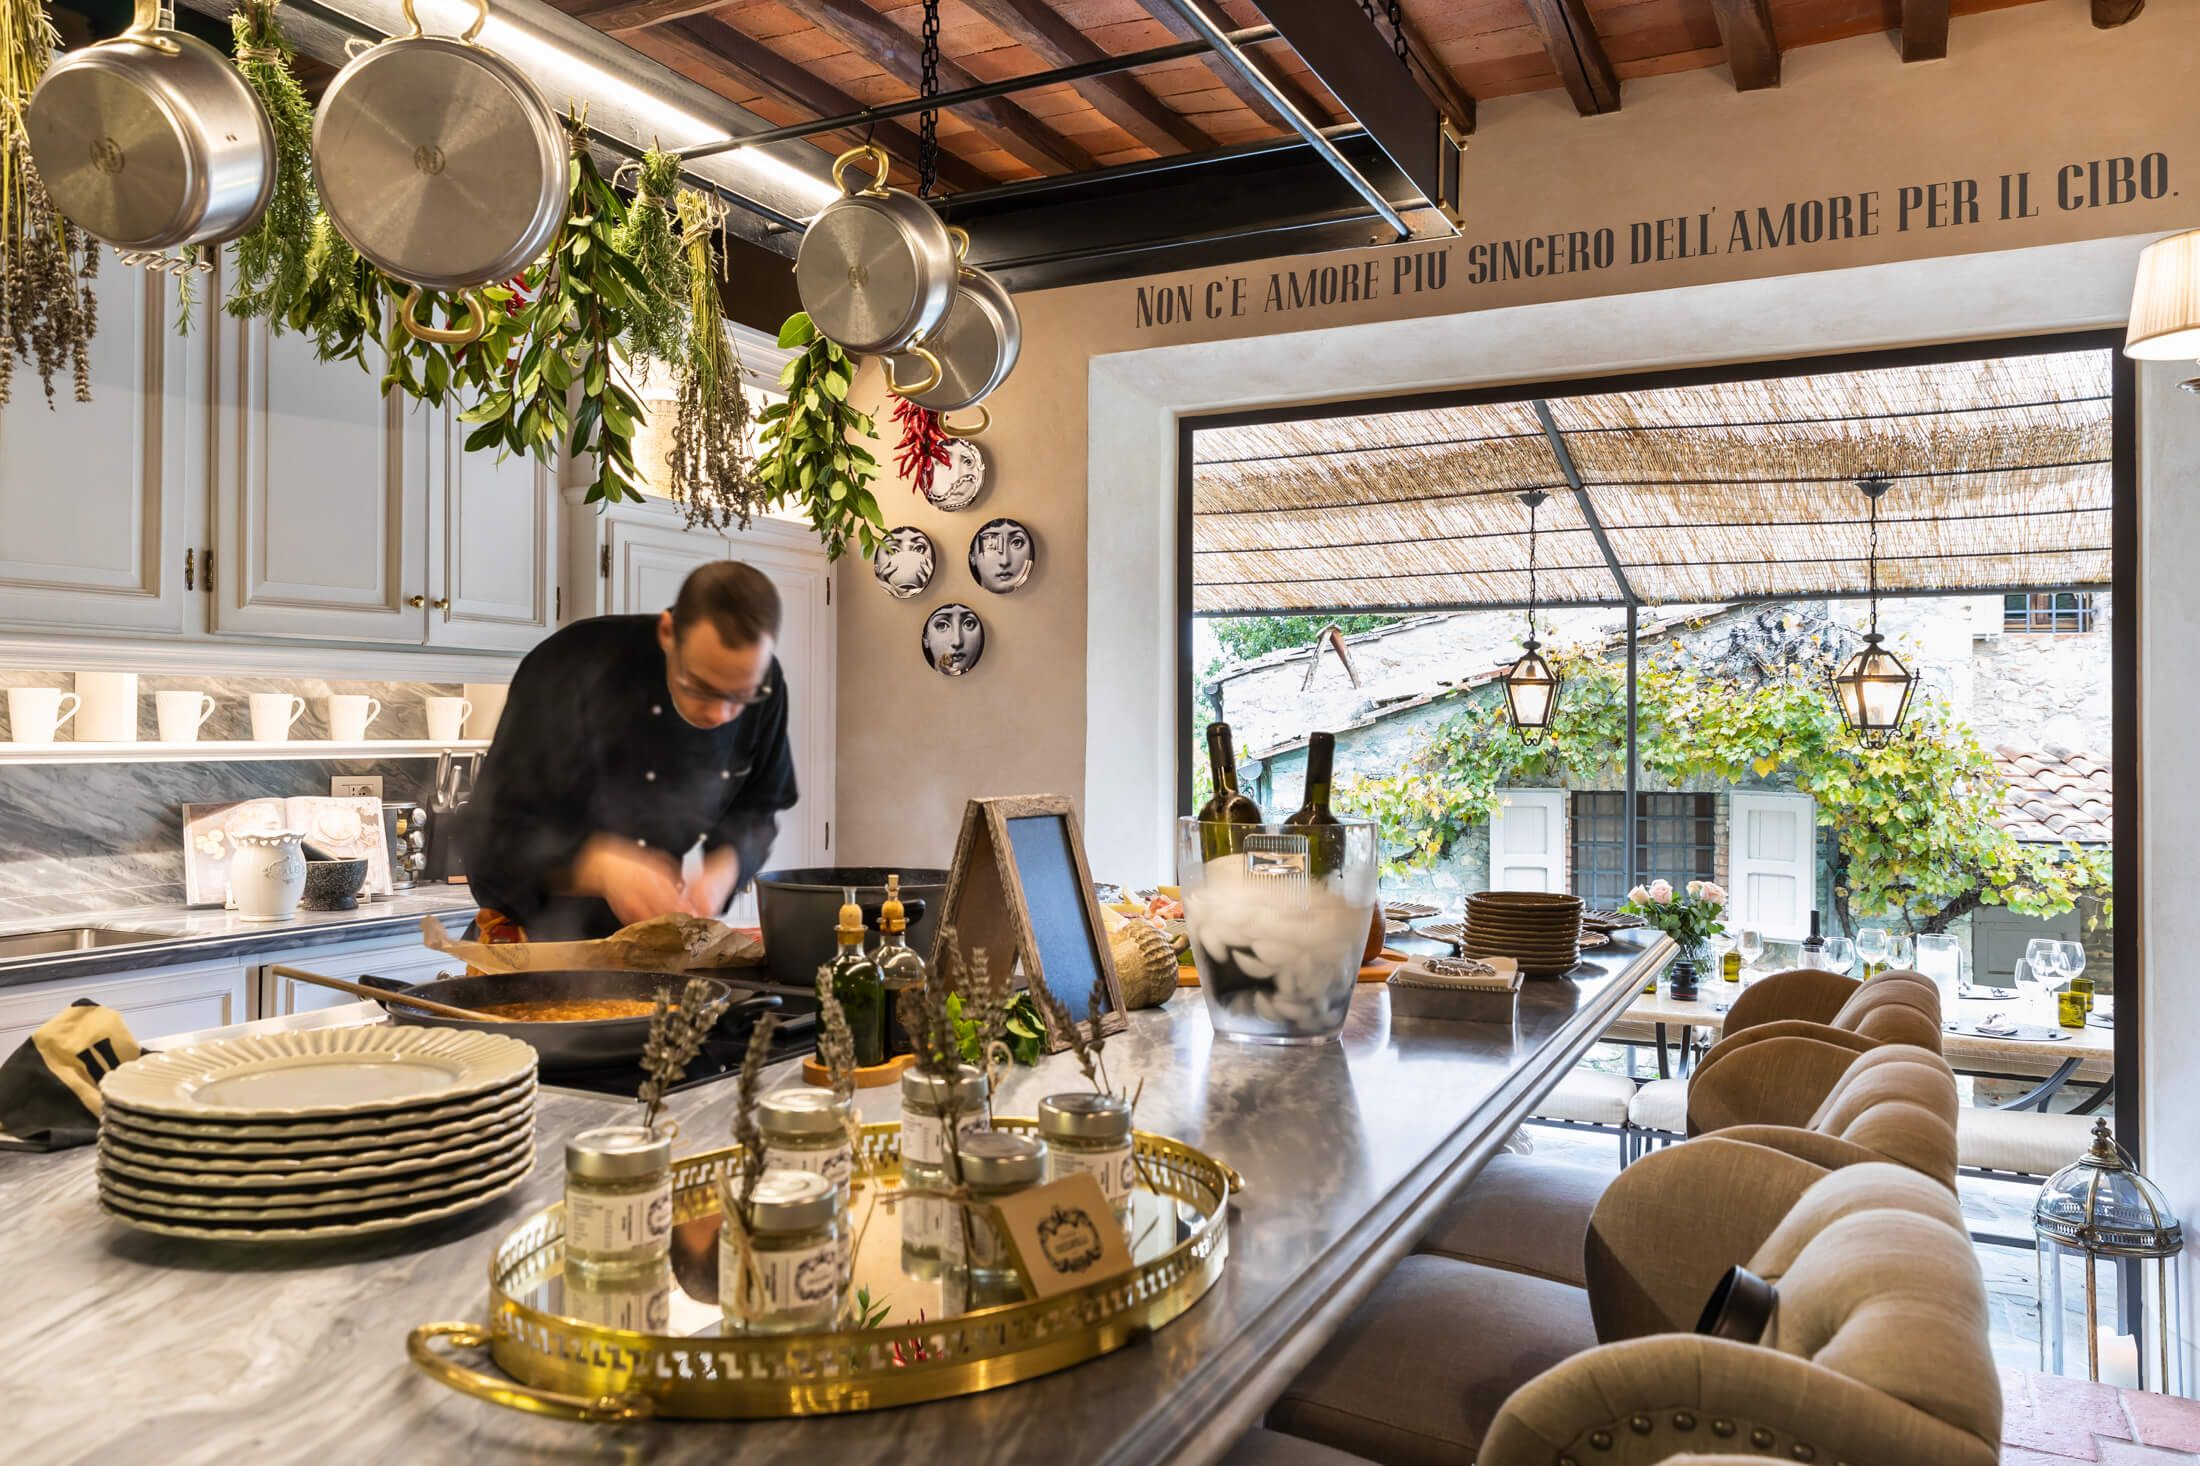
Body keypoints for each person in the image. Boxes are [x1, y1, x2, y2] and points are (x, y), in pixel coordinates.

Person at [460, 562, 797, 942]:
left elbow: (758, 809)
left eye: (741, 697)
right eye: (701, 687)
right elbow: (486, 842)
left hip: (648, 949)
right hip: (531, 948)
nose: (720, 714)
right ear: (669, 633)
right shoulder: (569, 667)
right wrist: (597, 865)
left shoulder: (766, 685)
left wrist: (725, 868)